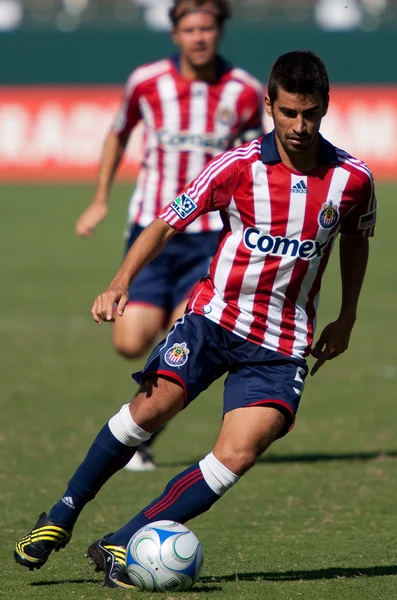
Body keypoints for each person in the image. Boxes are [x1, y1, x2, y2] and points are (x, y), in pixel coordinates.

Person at [14, 50, 376, 589]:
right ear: (270, 106)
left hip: (282, 342)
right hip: (213, 319)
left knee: (239, 453)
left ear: (325, 108)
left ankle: (126, 537)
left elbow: (355, 242)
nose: (301, 127)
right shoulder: (236, 167)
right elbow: (164, 223)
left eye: (312, 114)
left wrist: (346, 317)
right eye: (290, 113)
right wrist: (120, 282)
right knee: (150, 408)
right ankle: (63, 513)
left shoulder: (352, 179)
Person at [75, 0, 263, 470]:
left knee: (183, 339)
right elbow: (118, 134)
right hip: (152, 231)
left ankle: (140, 437)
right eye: (190, 28)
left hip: (210, 239)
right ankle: (158, 361)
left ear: (220, 32)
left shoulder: (243, 90)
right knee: (129, 341)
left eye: (208, 28)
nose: (199, 37)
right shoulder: (146, 82)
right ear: (175, 34)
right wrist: (100, 199)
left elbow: (261, 157)